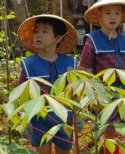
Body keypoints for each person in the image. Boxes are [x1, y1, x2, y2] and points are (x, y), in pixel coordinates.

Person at [78, 0, 125, 154]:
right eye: (108, 13)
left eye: (117, 13)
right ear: (99, 16)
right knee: (108, 128)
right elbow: (87, 70)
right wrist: (91, 95)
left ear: (122, 17)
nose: (113, 17)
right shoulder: (92, 40)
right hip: (103, 92)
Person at [17, 14, 78, 154]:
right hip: (39, 117)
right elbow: (21, 94)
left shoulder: (70, 64)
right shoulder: (29, 65)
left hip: (64, 117)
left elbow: (76, 91)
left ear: (58, 38)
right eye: (36, 31)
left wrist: (78, 116)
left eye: (44, 32)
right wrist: (24, 118)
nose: (38, 35)